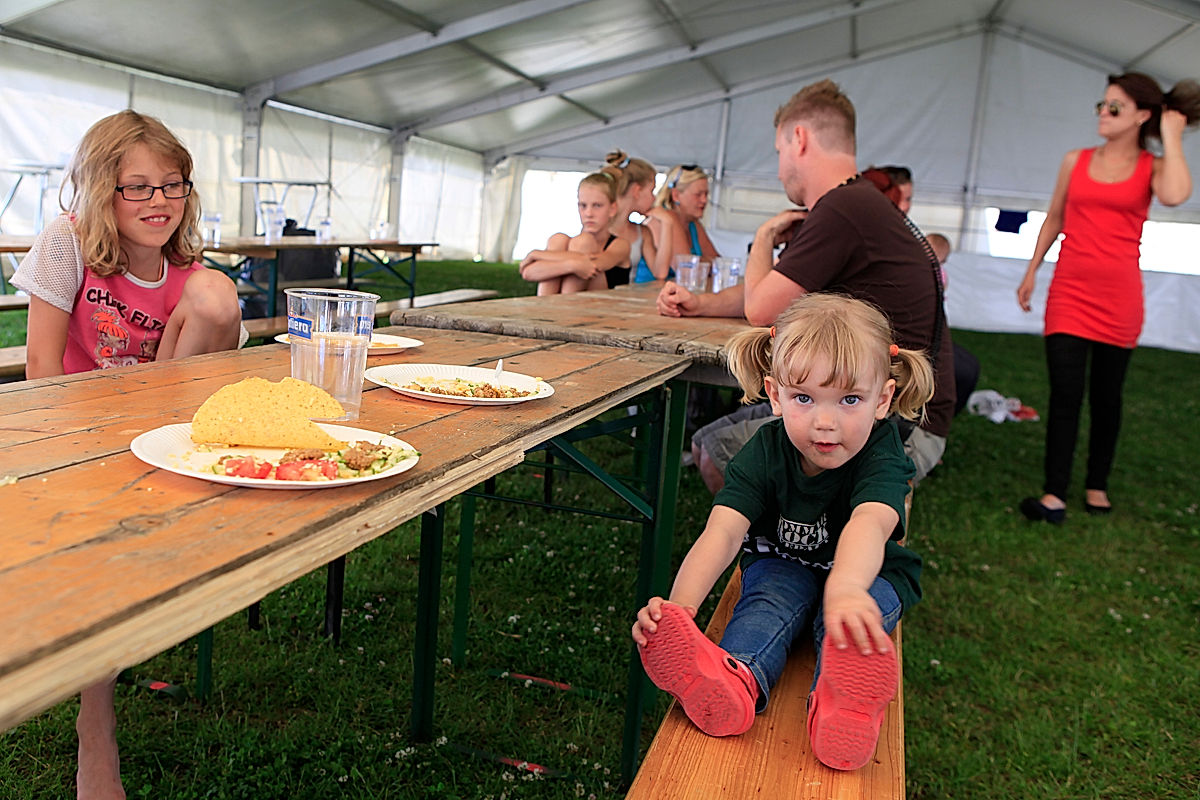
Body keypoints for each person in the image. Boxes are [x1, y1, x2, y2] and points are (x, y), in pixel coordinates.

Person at [12, 109, 242, 798]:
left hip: (162, 439)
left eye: (172, 185)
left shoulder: (189, 274)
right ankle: (96, 721)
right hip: (73, 436)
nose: (158, 201)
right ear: (99, 190)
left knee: (217, 292)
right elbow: (41, 371)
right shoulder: (69, 243)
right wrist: (79, 456)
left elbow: (213, 379)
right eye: (136, 187)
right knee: (100, 545)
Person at [633, 293, 932, 771]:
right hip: (784, 564)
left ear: (883, 400)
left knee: (851, 625)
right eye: (804, 398)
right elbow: (723, 531)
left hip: (869, 578)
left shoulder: (882, 454)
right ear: (775, 395)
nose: (825, 422)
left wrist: (847, 589)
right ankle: (736, 681)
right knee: (765, 607)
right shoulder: (764, 450)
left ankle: (842, 705)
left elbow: (870, 522)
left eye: (850, 399)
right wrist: (680, 611)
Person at [658, 79, 956, 492]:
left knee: (715, 451)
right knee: (707, 442)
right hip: (873, 401)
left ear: (798, 139)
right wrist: (700, 304)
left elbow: (760, 310)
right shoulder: (855, 202)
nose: (780, 169)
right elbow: (777, 289)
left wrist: (763, 237)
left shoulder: (843, 208)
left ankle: (786, 533)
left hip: (895, 421)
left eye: (779, 152)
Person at [1016, 72, 1200, 523]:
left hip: (1119, 298)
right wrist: (1032, 269)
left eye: (1114, 107)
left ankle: (1096, 484)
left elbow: (1176, 195)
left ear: (1141, 115)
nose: (1103, 112)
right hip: (1069, 292)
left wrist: (1172, 136)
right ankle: (1054, 493)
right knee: (1065, 394)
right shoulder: (1074, 160)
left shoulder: (1153, 167)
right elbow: (1055, 217)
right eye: (1101, 104)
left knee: (1107, 397)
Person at [519, 170, 631, 295]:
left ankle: (564, 306)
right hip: (556, 302)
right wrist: (572, 265)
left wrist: (536, 255)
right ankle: (552, 306)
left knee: (584, 242)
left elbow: (591, 266)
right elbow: (528, 272)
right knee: (558, 239)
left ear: (612, 209)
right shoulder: (566, 244)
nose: (588, 213)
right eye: (583, 205)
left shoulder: (620, 245)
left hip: (600, 305)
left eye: (597, 206)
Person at [603, 150, 675, 284]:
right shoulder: (601, 225)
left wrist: (667, 223)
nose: (654, 198)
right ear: (637, 191)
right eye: (651, 191)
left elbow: (660, 272)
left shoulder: (642, 232)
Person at [647, 164, 720, 264]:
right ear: (676, 195)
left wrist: (699, 262)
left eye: (706, 194)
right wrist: (706, 262)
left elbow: (719, 263)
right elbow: (685, 266)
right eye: (698, 195)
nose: (704, 200)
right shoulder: (666, 218)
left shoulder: (693, 224)